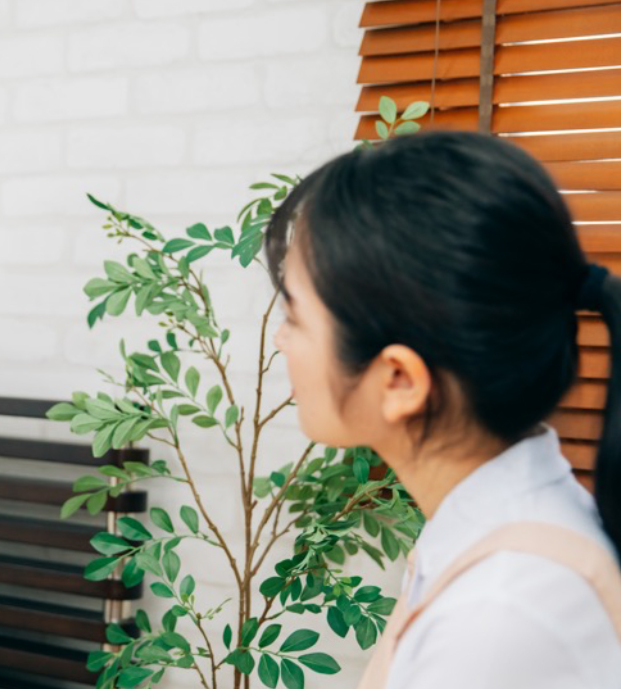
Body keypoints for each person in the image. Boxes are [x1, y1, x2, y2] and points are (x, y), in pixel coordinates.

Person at [264, 131, 621, 688]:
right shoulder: (479, 540)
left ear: (400, 379)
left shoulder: (501, 613)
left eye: (295, 316)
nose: (281, 342)